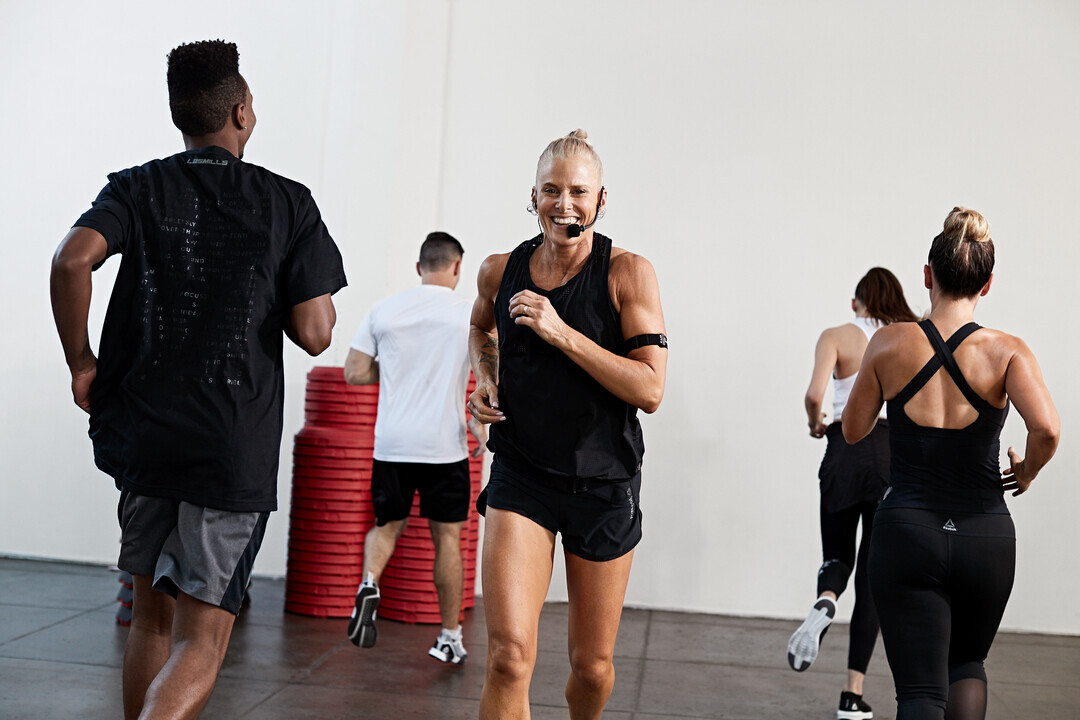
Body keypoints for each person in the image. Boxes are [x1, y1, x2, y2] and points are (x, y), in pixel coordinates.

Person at [50, 40, 347, 720]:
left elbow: (72, 261)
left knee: (151, 622)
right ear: (242, 112)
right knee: (203, 642)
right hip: (228, 447)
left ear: (180, 116)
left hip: (146, 439)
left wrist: (82, 363)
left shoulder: (136, 186)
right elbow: (314, 333)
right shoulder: (287, 203)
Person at [467, 129, 667, 720]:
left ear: (601, 200)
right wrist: (484, 376)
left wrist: (559, 332)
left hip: (603, 485)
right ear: (533, 197)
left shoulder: (627, 274)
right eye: (551, 190)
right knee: (507, 657)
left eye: (579, 192)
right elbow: (482, 329)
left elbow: (650, 388)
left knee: (592, 666)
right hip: (521, 473)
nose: (565, 204)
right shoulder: (499, 270)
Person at [842, 207, 1059, 720]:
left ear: (927, 275)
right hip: (985, 536)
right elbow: (1047, 429)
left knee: (919, 692)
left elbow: (853, 430)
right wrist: (1026, 471)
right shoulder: (1008, 352)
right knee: (966, 664)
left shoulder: (889, 343)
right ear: (986, 284)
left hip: (907, 531)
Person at [343, 231, 486, 663]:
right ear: (458, 267)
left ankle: (369, 583)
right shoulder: (468, 315)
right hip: (443, 447)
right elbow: (490, 375)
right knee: (447, 540)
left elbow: (353, 371)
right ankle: (448, 637)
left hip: (392, 445)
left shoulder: (384, 310)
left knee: (386, 527)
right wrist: (479, 421)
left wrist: (395, 375)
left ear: (419, 267)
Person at [789, 268, 918, 719]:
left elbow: (813, 395)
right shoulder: (910, 337)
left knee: (837, 557)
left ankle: (825, 601)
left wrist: (816, 424)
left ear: (855, 303)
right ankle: (851, 696)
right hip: (890, 459)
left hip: (844, 449)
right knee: (872, 580)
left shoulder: (836, 335)